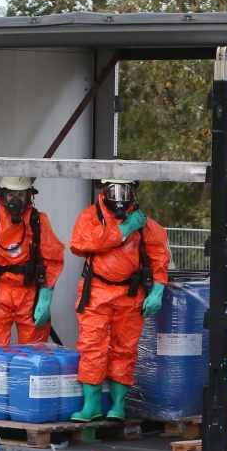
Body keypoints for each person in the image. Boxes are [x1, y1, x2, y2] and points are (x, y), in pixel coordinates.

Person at [69, 179, 170, 421]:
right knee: (92, 347)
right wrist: (124, 230)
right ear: (103, 192)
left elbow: (159, 260)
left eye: (124, 190)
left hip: (131, 294)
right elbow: (84, 243)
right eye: (113, 190)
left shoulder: (146, 226)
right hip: (97, 292)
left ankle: (117, 406)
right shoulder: (90, 217)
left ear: (133, 193)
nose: (119, 196)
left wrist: (157, 291)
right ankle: (91, 406)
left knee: (125, 349)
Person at [0, 176, 66, 346]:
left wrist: (46, 294)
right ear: (2, 195)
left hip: (29, 291)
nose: (15, 200)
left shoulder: (38, 221)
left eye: (20, 195)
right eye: (11, 194)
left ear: (29, 196)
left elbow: (53, 258)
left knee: (34, 351)